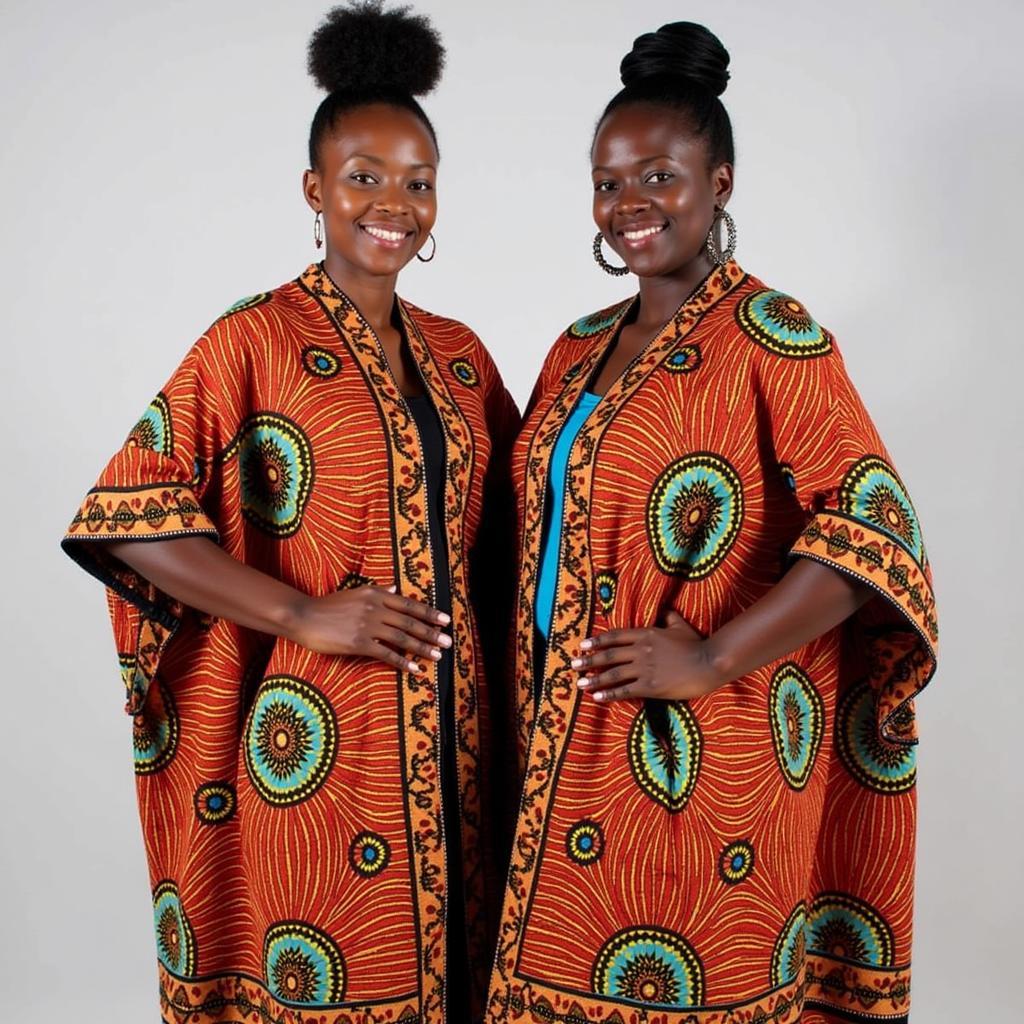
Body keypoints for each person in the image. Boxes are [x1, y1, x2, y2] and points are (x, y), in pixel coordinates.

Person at [61, 3, 518, 1021]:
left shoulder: (460, 355)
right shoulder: (252, 341)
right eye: (364, 175)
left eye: (417, 180)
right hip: (317, 748)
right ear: (315, 189)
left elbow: (523, 535)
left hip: (466, 747)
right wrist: (304, 614)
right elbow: (132, 513)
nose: (392, 202)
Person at [487, 21, 936, 1024]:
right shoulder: (575, 348)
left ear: (719, 183)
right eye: (607, 183)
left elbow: (871, 528)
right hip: (562, 735)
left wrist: (711, 657)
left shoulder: (774, 337)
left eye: (658, 176)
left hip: (699, 745)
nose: (628, 206)